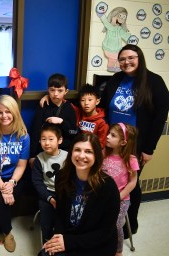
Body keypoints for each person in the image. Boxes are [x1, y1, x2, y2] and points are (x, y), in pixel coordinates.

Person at [98, 44, 169, 235]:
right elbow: (103, 104)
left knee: (131, 182)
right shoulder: (116, 79)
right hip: (112, 141)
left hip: (134, 145)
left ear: (139, 58)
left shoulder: (154, 81)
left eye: (131, 58)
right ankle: (108, 216)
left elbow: (160, 117)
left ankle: (131, 223)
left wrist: (149, 149)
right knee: (111, 177)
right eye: (122, 59)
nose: (126, 62)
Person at [42, 133, 120, 256]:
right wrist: (57, 239)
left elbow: (105, 232)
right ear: (71, 152)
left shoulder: (108, 186)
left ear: (96, 156)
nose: (81, 155)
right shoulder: (62, 177)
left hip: (96, 244)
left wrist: (67, 242)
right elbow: (60, 215)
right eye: (77, 150)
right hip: (70, 236)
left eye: (88, 151)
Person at [0, 95, 30, 253]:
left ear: (14, 112)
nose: (4, 116)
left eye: (7, 111)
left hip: (15, 178)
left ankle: (8, 233)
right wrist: (3, 187)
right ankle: (4, 211)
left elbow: (22, 165)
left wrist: (12, 183)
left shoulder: (23, 136)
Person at [103, 123, 139, 256]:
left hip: (122, 199)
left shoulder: (131, 159)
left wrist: (119, 196)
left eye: (112, 135)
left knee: (116, 225)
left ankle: (118, 251)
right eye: (108, 133)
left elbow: (133, 181)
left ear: (123, 142)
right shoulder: (103, 154)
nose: (107, 137)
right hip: (104, 198)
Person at [30, 73, 78, 167]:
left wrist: (62, 122)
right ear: (48, 90)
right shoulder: (43, 105)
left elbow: (74, 132)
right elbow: (35, 131)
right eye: (52, 90)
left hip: (64, 153)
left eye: (60, 90)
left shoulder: (69, 108)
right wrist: (32, 155)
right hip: (44, 152)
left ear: (66, 91)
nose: (55, 94)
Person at [31, 124, 68, 246]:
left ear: (60, 140)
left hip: (64, 192)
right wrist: (50, 198)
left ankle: (61, 239)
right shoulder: (39, 159)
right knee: (46, 216)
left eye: (51, 139)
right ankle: (47, 241)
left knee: (63, 218)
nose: (47, 143)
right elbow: (37, 182)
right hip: (47, 193)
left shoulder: (67, 156)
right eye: (43, 139)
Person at [74, 84, 109, 148]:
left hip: (92, 150)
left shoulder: (102, 122)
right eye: (83, 100)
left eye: (90, 100)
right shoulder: (79, 112)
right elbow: (64, 102)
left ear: (97, 101)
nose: (86, 103)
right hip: (78, 147)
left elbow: (101, 144)